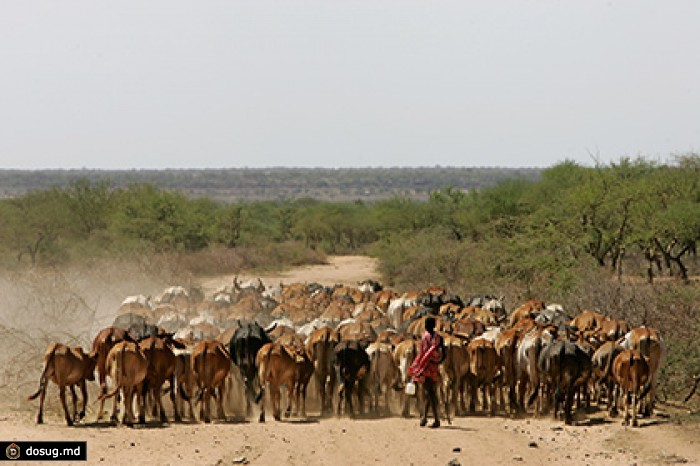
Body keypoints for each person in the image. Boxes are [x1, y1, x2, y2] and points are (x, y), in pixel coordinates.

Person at [408, 316, 444, 428]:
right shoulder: (439, 338)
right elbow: (444, 353)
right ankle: (424, 418)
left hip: (425, 368)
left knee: (430, 393)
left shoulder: (424, 338)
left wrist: (417, 366)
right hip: (434, 368)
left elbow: (422, 354)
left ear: (425, 326)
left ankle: (435, 419)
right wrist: (438, 362)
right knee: (430, 392)